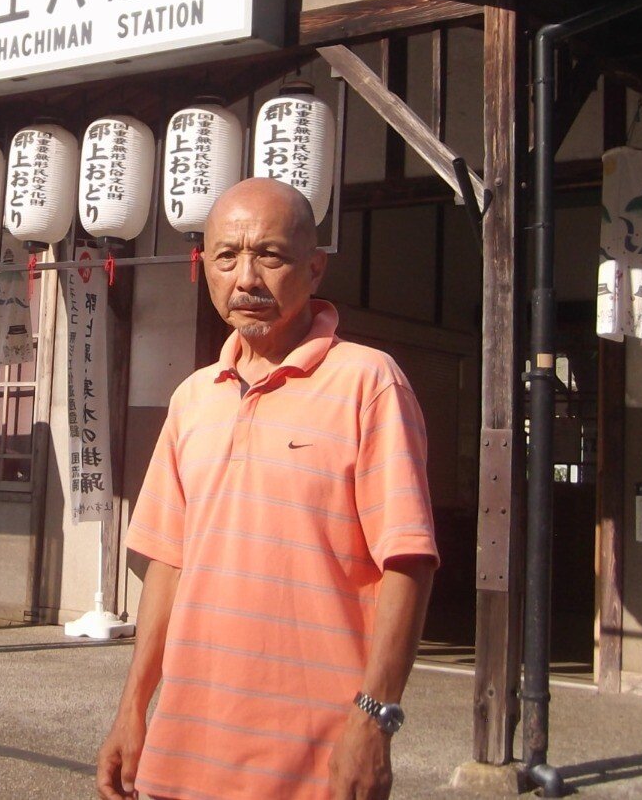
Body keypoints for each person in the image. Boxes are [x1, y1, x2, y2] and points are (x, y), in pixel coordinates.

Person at [96, 178, 438, 800]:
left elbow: (407, 561)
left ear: (315, 267)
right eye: (226, 256)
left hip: (314, 764)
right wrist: (132, 708)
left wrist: (375, 719)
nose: (246, 279)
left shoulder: (369, 383)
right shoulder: (193, 398)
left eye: (270, 255)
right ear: (204, 266)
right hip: (182, 756)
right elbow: (168, 564)